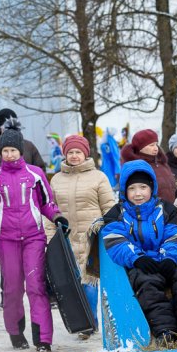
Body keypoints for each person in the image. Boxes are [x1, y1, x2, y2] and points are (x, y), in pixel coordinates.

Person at [0, 120, 66, 352]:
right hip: (6, 240)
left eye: (13, 150)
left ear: (21, 151)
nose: (9, 155)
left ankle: (43, 339)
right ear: (0, 152)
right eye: (5, 151)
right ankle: (16, 333)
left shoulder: (35, 174)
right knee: (12, 288)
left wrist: (57, 217)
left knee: (36, 286)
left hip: (33, 237)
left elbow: (46, 203)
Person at [100, 160, 177, 342]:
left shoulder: (166, 209)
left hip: (165, 259)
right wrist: (137, 258)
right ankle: (167, 333)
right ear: (124, 191)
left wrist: (169, 257)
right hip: (139, 263)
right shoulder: (116, 214)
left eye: (143, 187)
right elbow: (116, 241)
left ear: (152, 188)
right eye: (132, 189)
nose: (138, 193)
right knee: (147, 282)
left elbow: (174, 236)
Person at [50, 134, 117, 337]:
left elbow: (109, 207)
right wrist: (49, 236)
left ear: (85, 153)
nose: (74, 156)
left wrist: (111, 232)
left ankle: (90, 323)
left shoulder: (98, 177)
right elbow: (50, 210)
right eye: (70, 152)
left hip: (91, 238)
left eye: (78, 152)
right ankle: (84, 321)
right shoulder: (57, 179)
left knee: (89, 281)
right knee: (73, 282)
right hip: (67, 238)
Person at [0, 109, 46, 192]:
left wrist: (34, 191)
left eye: (14, 127)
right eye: (7, 127)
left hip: (29, 198)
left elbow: (41, 171)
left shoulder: (29, 146)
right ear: (0, 128)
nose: (11, 130)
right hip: (2, 200)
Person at [119, 128, 176, 204]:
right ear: (140, 147)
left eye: (156, 144)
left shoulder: (162, 163)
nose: (156, 148)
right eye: (151, 145)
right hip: (150, 212)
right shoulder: (135, 167)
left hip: (170, 211)